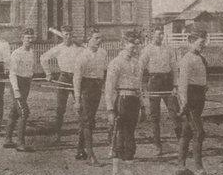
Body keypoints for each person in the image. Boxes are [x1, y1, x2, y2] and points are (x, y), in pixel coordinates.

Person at [139, 26, 181, 156]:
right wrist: (139, 86)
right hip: (154, 82)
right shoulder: (147, 50)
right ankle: (157, 145)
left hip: (167, 82)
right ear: (152, 35)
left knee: (175, 112)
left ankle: (181, 142)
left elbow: (174, 68)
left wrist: (175, 85)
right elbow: (140, 69)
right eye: (158, 35)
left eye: (162, 34)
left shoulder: (169, 49)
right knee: (155, 116)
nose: (161, 37)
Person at [40, 25, 85, 143]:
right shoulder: (58, 48)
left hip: (77, 77)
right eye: (66, 35)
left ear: (72, 35)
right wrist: (48, 73)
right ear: (62, 35)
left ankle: (83, 133)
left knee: (80, 106)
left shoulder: (79, 48)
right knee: (60, 107)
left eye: (70, 35)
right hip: (64, 77)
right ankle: (58, 133)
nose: (68, 37)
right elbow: (43, 58)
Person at [105, 31, 144, 162]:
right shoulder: (115, 63)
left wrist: (142, 104)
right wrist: (110, 109)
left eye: (136, 45)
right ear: (123, 44)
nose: (135, 47)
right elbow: (109, 87)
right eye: (131, 44)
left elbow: (139, 86)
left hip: (134, 99)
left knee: (131, 128)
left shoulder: (137, 63)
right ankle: (122, 152)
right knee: (122, 128)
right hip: (122, 99)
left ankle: (126, 153)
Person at [176, 30, 210, 175]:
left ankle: (180, 166)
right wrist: (183, 103)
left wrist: (204, 86)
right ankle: (198, 169)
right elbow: (182, 83)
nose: (203, 46)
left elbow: (202, 78)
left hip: (199, 96)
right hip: (190, 98)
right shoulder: (186, 59)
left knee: (187, 131)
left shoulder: (201, 58)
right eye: (200, 43)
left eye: (204, 43)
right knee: (199, 132)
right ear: (190, 42)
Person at [73, 29, 108, 165]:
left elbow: (103, 71)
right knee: (87, 121)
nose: (99, 41)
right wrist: (77, 99)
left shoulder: (103, 53)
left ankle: (79, 150)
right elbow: (77, 79)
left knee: (89, 120)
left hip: (97, 88)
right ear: (88, 40)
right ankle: (90, 156)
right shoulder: (82, 56)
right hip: (85, 89)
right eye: (96, 38)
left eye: (100, 38)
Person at [5, 28, 36, 152]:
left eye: (31, 37)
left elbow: (30, 69)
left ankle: (7, 139)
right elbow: (12, 73)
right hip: (17, 84)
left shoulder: (32, 52)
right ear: (22, 39)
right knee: (24, 112)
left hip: (26, 84)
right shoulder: (16, 53)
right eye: (27, 38)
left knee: (15, 111)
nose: (29, 40)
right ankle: (20, 143)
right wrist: (16, 90)